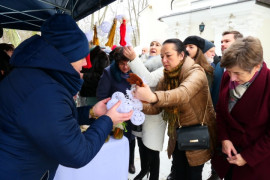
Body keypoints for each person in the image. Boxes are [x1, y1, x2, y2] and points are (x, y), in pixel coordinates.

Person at [0, 14, 132, 180]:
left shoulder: (34, 76)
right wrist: (107, 120)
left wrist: (91, 112)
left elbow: (54, 121)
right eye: (82, 56)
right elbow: (78, 153)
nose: (86, 63)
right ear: (66, 55)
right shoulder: (45, 90)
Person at [133, 38, 216, 180]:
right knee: (178, 172)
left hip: (197, 135)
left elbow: (182, 94)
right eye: (162, 56)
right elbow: (157, 108)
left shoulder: (196, 72)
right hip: (177, 134)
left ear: (181, 55)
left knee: (192, 175)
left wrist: (152, 96)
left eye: (168, 56)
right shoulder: (166, 76)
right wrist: (137, 105)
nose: (164, 60)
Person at [211, 36, 270, 180]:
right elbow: (221, 112)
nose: (231, 78)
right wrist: (224, 138)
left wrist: (248, 157)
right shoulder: (227, 77)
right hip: (228, 158)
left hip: (256, 164)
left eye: (238, 73)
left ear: (256, 67)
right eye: (229, 71)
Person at [123, 39, 166, 180]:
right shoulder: (143, 63)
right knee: (141, 145)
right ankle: (143, 170)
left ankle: (153, 176)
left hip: (154, 114)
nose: (153, 47)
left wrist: (134, 59)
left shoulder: (164, 67)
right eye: (152, 44)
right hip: (140, 112)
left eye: (157, 45)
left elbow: (149, 79)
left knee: (152, 149)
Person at [96, 46, 136, 174]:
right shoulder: (109, 73)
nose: (125, 67)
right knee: (117, 140)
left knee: (131, 139)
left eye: (128, 63)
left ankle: (130, 162)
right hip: (115, 115)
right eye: (121, 64)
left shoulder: (135, 72)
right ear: (116, 62)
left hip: (131, 113)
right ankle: (117, 166)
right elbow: (101, 95)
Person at [211, 31, 243, 109]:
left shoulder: (246, 66)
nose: (222, 44)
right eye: (221, 42)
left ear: (238, 43)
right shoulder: (219, 65)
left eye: (227, 41)